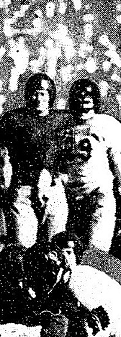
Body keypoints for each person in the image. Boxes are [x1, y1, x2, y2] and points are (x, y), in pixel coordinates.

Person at [0, 73, 74, 248]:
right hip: (23, 191)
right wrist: (2, 193)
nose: (38, 98)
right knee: (22, 247)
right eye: (34, 92)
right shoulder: (14, 120)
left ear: (51, 95)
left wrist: (58, 176)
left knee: (55, 248)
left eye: (43, 93)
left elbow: (71, 154)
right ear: (27, 95)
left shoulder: (63, 120)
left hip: (53, 191)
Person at [48, 79, 121, 252]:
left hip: (97, 194)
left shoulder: (106, 124)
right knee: (60, 249)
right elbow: (51, 160)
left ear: (95, 100)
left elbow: (118, 159)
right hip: (68, 196)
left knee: (96, 250)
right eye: (79, 97)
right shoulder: (61, 124)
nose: (83, 100)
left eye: (87, 97)